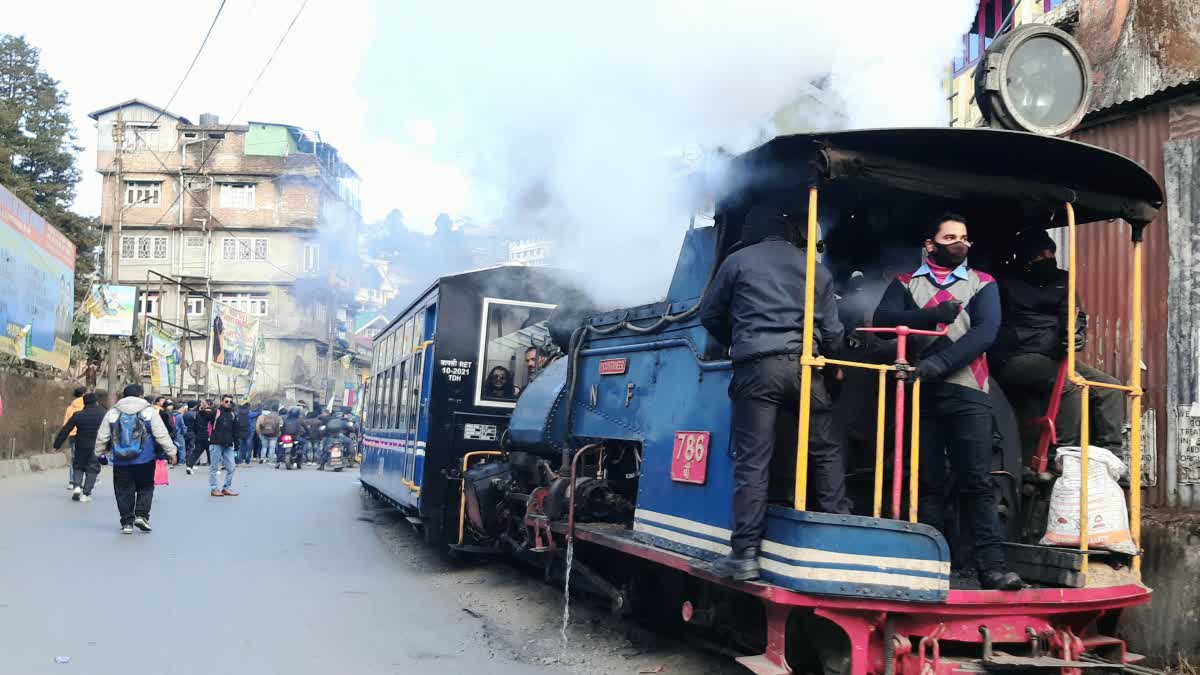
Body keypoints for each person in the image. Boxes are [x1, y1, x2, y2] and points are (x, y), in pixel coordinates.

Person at [698, 205, 851, 581]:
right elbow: (834, 334)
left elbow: (709, 314)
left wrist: (736, 341)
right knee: (825, 448)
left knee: (754, 459)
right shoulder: (818, 269)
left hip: (757, 367)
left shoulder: (737, 261)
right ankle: (837, 528)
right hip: (806, 367)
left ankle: (746, 553)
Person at [872, 213, 1022, 591]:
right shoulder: (905, 283)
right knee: (926, 482)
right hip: (920, 395)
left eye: (965, 238)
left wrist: (937, 363)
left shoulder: (982, 284)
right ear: (930, 244)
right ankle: (932, 566)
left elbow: (984, 333)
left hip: (968, 391)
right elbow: (884, 318)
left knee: (977, 481)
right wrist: (931, 316)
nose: (961, 243)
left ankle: (992, 567)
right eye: (951, 237)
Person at [991, 229, 1125, 453]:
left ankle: (1111, 457)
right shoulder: (1005, 283)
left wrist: (1076, 334)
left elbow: (1075, 315)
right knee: (1071, 386)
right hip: (1017, 356)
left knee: (1111, 388)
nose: (1046, 258)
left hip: (1055, 355)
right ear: (1023, 258)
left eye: (1050, 252)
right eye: (1038, 255)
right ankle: (1064, 455)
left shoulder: (1063, 280)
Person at [94, 384, 178, 534]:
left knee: (122, 490)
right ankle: (141, 515)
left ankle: (127, 523)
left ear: (123, 396)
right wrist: (171, 452)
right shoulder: (149, 411)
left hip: (120, 459)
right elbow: (161, 434)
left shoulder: (113, 412)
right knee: (145, 487)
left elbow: (103, 435)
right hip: (145, 459)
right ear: (141, 395)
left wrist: (98, 452)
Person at [53, 393, 106, 502]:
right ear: (96, 402)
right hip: (97, 446)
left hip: (81, 444)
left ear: (84, 403)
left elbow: (65, 429)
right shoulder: (103, 414)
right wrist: (109, 446)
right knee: (92, 469)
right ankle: (86, 494)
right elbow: (110, 430)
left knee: (78, 466)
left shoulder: (78, 415)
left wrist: (57, 445)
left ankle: (77, 487)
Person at [208, 396, 240, 497]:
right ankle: (214, 488)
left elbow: (236, 430)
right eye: (226, 401)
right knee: (214, 467)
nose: (228, 403)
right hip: (216, 443)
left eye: (230, 401)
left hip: (229, 444)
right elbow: (203, 416)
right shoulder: (215, 413)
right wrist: (202, 409)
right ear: (222, 402)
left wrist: (237, 444)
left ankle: (226, 488)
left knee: (231, 467)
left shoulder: (233, 414)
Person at [63, 386, 86, 490]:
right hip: (85, 435)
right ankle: (81, 481)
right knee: (85, 458)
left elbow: (66, 424)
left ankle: (72, 481)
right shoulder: (86, 407)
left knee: (74, 459)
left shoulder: (69, 408)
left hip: (72, 435)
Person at [186, 400, 213, 474]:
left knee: (196, 451)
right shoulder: (210, 413)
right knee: (210, 452)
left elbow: (195, 425)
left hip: (199, 435)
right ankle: (213, 468)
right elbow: (212, 425)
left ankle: (189, 466)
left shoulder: (197, 414)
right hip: (207, 435)